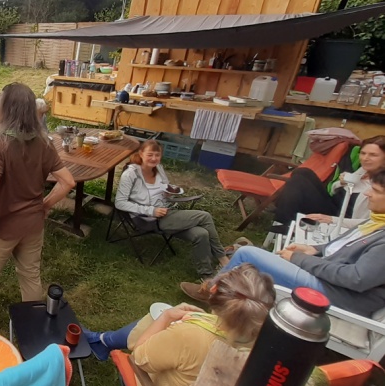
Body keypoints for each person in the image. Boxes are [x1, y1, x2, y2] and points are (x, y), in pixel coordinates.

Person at [183, 168, 385, 318]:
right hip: (329, 279)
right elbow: (345, 247)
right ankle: (223, 300)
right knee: (251, 264)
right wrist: (314, 249)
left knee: (248, 255)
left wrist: (300, 259)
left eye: (374, 191)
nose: (367, 193)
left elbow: (356, 279)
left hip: (335, 294)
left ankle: (212, 294)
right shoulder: (377, 221)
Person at [0, 82, 76, 330]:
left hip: (3, 227)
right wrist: (45, 205)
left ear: (4, 109)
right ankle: (33, 326)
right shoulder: (44, 142)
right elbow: (68, 181)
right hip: (33, 224)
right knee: (30, 275)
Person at [83, 264, 275, 386]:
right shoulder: (269, 346)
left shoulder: (191, 335)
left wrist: (167, 317)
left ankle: (102, 342)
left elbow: (138, 358)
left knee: (156, 319)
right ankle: (102, 341)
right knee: (159, 321)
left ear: (214, 292)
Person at [116, 139, 228, 279]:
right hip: (148, 219)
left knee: (202, 234)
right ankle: (223, 259)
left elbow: (164, 187)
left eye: (157, 155)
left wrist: (167, 193)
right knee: (204, 216)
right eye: (150, 154)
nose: (154, 158)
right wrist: (152, 211)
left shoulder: (159, 169)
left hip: (167, 212)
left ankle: (207, 275)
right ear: (141, 153)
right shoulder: (131, 174)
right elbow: (119, 203)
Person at [272, 135, 385, 231]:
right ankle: (286, 217)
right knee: (303, 172)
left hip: (339, 219)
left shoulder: (380, 185)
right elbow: (333, 191)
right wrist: (341, 183)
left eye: (373, 155)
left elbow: (371, 223)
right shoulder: (363, 171)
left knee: (299, 182)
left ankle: (285, 223)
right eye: (363, 153)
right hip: (333, 206)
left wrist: (332, 220)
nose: (365, 158)